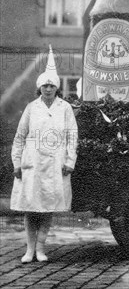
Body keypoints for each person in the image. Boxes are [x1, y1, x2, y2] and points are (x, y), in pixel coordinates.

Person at [11, 45, 78, 263]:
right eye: (44, 85)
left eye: (51, 85)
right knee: (31, 207)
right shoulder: (32, 108)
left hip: (55, 164)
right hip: (33, 163)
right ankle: (29, 250)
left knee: (47, 207)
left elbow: (71, 136)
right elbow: (20, 136)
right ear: (39, 87)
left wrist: (69, 161)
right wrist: (17, 163)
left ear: (57, 88)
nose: (48, 89)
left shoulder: (65, 108)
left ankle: (41, 248)